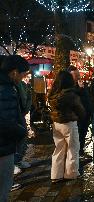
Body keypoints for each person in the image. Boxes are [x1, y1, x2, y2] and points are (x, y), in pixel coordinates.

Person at [0, 55, 29, 201]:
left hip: (5, 145)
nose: (23, 79)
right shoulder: (5, 89)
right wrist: (21, 131)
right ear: (14, 72)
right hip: (3, 147)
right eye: (23, 75)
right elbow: (4, 121)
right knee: (3, 188)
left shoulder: (8, 87)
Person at [48, 71, 85, 183]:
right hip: (69, 123)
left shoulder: (52, 93)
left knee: (58, 148)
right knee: (73, 148)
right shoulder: (71, 95)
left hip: (56, 123)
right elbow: (81, 111)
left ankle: (56, 175)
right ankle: (71, 173)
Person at [67, 66, 92, 156]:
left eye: (78, 74)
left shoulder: (81, 84)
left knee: (83, 133)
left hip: (85, 113)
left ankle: (80, 149)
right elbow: (73, 96)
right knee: (76, 134)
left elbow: (87, 97)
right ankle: (75, 151)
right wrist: (81, 88)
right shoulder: (68, 86)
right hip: (76, 115)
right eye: (76, 75)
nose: (78, 76)